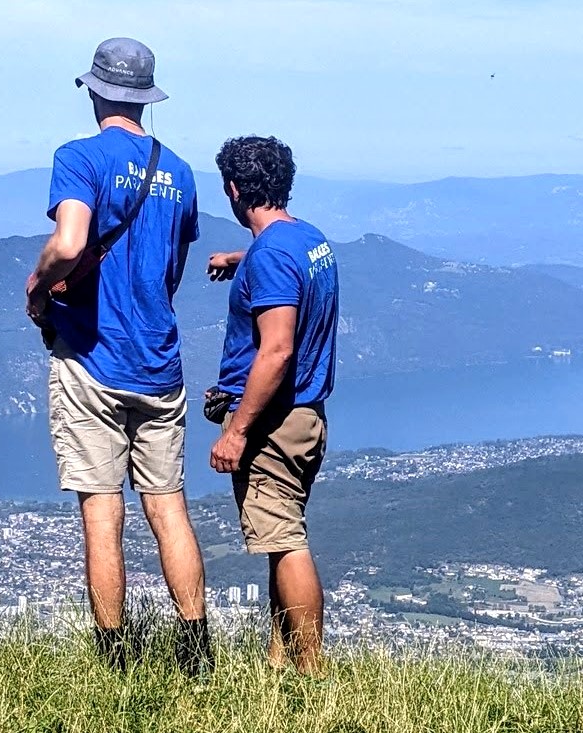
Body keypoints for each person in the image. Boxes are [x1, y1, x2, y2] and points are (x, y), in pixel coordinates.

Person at [24, 37, 210, 675]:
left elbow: (71, 239)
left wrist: (37, 284)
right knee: (169, 506)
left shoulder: (78, 158)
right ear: (146, 97)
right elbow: (170, 268)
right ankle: (195, 653)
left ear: (95, 91)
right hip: (159, 363)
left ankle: (115, 661)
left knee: (103, 512)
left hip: (91, 359)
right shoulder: (180, 172)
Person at [205, 135, 339, 674]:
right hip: (307, 420)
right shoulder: (309, 240)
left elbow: (277, 350)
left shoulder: (274, 259)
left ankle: (310, 674)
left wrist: (236, 431)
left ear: (235, 190)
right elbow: (281, 260)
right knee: (280, 536)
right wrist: (241, 259)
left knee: (285, 543)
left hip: (273, 424)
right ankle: (281, 664)